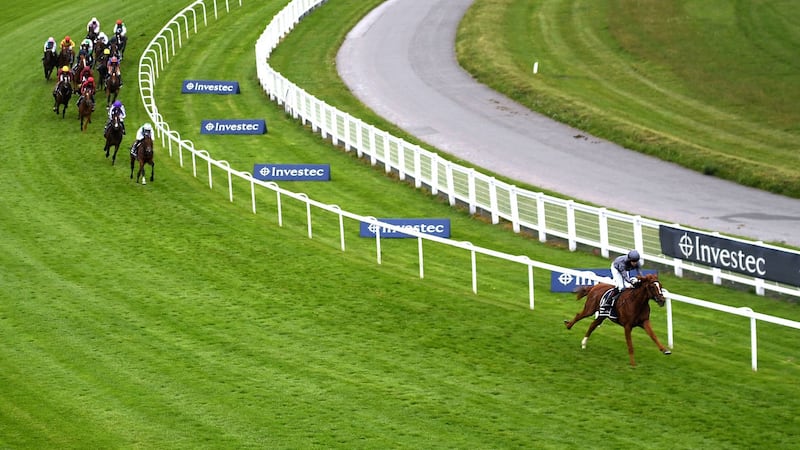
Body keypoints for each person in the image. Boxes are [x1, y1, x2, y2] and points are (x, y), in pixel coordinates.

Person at [599, 250, 643, 318]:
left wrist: (642, 280)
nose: (634, 263)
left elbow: (640, 273)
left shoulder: (637, 262)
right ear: (630, 260)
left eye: (636, 262)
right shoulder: (623, 263)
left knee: (628, 287)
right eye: (633, 262)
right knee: (621, 287)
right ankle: (607, 302)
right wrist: (631, 282)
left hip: (625, 269)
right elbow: (624, 276)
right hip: (616, 268)